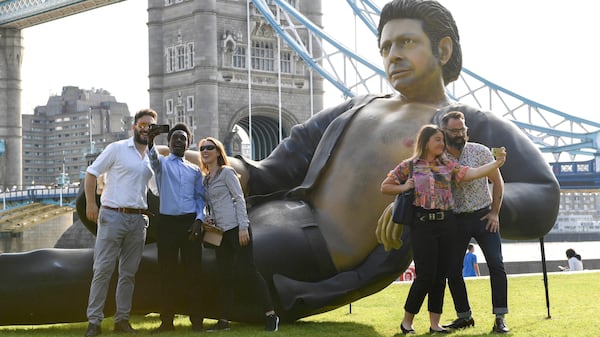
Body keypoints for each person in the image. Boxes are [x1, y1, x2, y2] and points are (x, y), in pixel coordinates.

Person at [1, 0, 561, 326]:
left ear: (442, 50)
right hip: (264, 215)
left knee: (126, 272)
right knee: (120, 225)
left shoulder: (472, 125)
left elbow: (542, 195)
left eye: (406, 44)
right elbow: (273, 170)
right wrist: (217, 165)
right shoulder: (354, 109)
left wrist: (438, 199)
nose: (391, 57)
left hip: (302, 252)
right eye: (385, 46)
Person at [380, 124, 506, 334]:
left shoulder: (447, 164)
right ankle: (407, 322)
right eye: (438, 140)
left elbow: (471, 174)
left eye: (442, 139)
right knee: (425, 276)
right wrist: (404, 187)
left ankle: (435, 324)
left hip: (447, 223)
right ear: (426, 142)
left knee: (440, 276)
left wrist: (497, 163)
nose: (442, 143)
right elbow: (385, 186)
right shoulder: (409, 165)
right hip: (422, 225)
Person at [83, 108, 157, 337]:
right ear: (134, 127)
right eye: (143, 125)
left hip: (137, 220)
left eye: (151, 126)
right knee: (103, 270)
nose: (146, 129)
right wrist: (91, 204)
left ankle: (121, 320)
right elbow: (91, 172)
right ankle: (94, 322)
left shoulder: (152, 158)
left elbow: (157, 188)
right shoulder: (117, 149)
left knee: (128, 274)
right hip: (112, 215)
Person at [198, 137, 280, 332]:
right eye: (202, 148)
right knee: (224, 276)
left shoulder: (227, 173)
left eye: (209, 147)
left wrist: (243, 226)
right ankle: (223, 321)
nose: (205, 151)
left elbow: (239, 199)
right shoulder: (207, 179)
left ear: (218, 152)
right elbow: (211, 205)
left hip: (237, 229)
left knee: (248, 271)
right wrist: (209, 219)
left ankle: (271, 315)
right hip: (221, 234)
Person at [439, 111, 509, 333]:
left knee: (497, 265)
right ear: (444, 132)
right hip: (455, 219)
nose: (460, 134)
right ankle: (464, 316)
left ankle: (500, 318)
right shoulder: (439, 158)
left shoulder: (480, 151)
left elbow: (498, 182)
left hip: (483, 215)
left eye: (463, 130)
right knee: (452, 270)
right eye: (455, 131)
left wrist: (495, 213)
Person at [147, 123, 207, 333]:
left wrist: (199, 220)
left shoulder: (194, 171)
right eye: (175, 138)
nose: (179, 141)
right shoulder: (162, 166)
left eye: (183, 139)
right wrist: (150, 140)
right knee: (167, 274)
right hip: (167, 225)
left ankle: (197, 322)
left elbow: (200, 199)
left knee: (194, 273)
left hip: (190, 224)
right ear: (169, 143)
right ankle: (166, 322)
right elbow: (152, 159)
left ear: (188, 143)